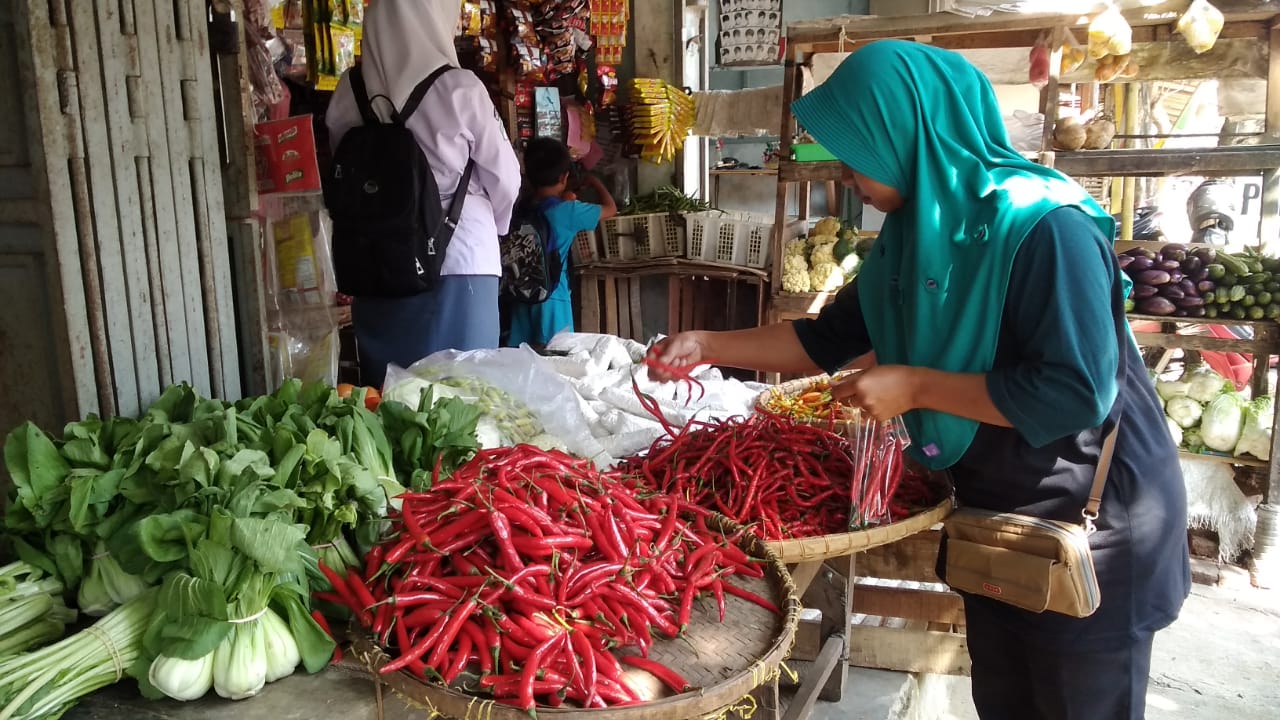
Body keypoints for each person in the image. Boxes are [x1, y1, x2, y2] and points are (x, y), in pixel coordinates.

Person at [649, 41, 1189, 720]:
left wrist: (917, 387)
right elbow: (824, 340)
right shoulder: (913, 237)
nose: (844, 173)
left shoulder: (1045, 227)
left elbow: (1074, 390)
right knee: (1006, 702)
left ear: (910, 132)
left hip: (1092, 528)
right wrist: (706, 344)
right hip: (999, 522)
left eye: (855, 151)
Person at [326, 0, 520, 388]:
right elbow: (506, 178)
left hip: (377, 266)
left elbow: (344, 172)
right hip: (460, 264)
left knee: (388, 398)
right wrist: (493, 227)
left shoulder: (348, 91)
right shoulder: (460, 87)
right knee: (465, 400)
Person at [505, 137, 616, 348]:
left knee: (520, 360)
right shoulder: (569, 211)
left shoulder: (521, 207)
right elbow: (611, 209)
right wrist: (595, 182)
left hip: (521, 295)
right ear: (564, 177)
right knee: (557, 362)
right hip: (553, 298)